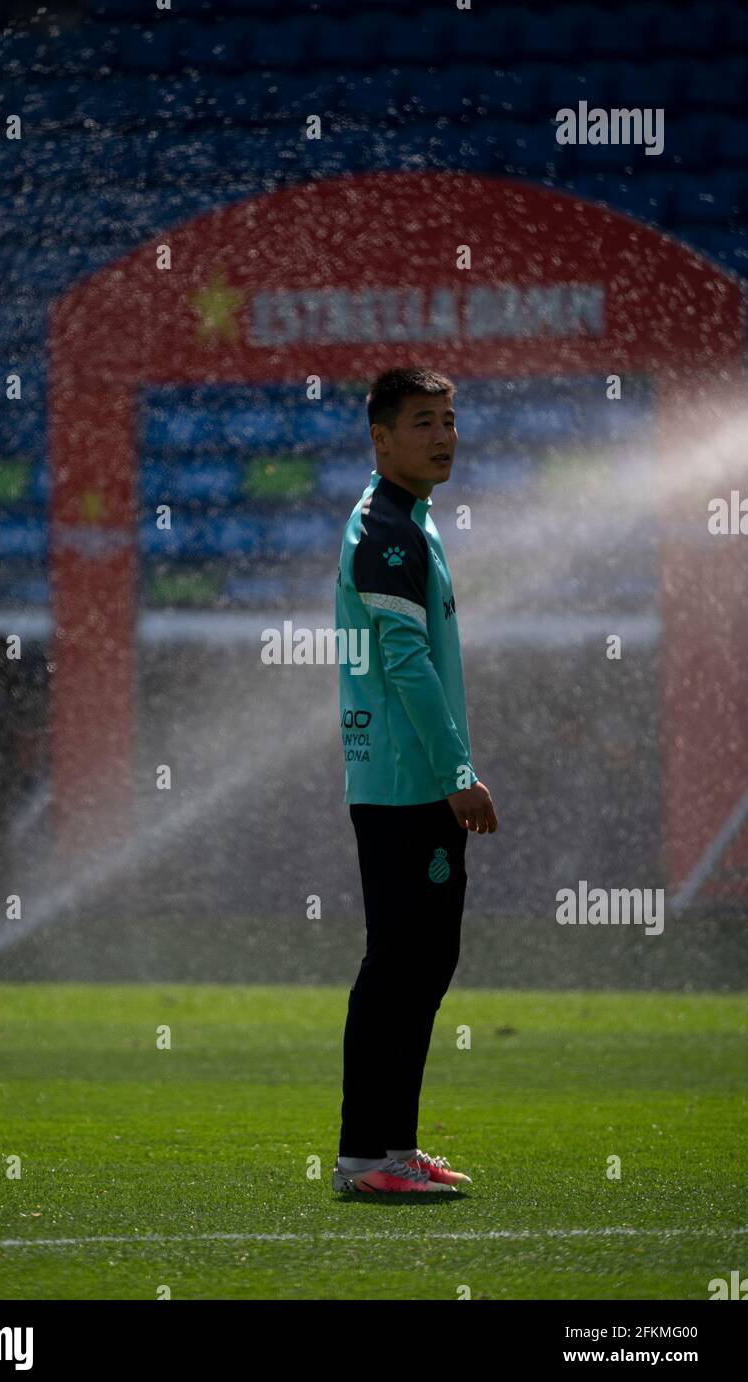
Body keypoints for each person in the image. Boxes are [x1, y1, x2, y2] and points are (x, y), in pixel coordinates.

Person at [333, 366, 498, 1196]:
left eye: (449, 420)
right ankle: (367, 1157)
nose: (442, 437)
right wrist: (457, 772)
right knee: (400, 968)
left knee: (420, 967)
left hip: (408, 782)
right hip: (407, 786)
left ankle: (392, 1147)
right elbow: (405, 664)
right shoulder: (387, 531)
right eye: (423, 422)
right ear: (381, 438)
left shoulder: (406, 522)